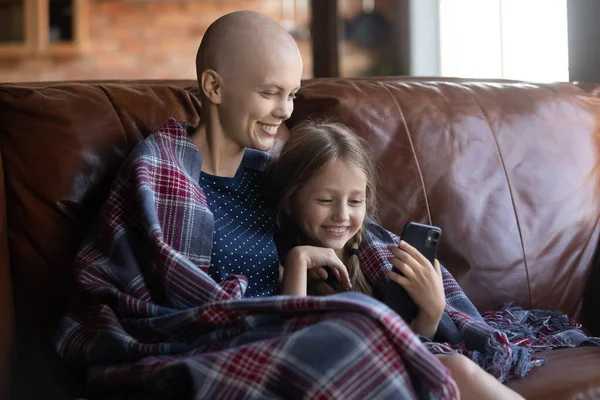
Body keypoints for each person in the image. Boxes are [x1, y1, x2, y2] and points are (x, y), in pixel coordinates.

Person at [54, 10, 460, 399]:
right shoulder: (158, 173)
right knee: (354, 326)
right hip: (202, 351)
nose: (284, 111)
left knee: (447, 364)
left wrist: (422, 304)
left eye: (292, 95)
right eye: (270, 93)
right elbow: (141, 302)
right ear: (214, 88)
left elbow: (350, 234)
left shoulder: (273, 180)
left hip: (286, 344)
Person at [268, 120, 527, 400]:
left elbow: (414, 344)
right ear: (292, 201)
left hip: (391, 368)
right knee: (461, 370)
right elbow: (290, 349)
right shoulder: (275, 259)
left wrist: (432, 312)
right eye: (325, 200)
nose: (342, 215)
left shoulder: (380, 250)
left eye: (355, 202)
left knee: (460, 369)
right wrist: (298, 261)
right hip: (338, 377)